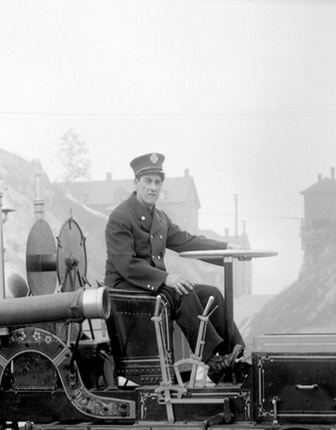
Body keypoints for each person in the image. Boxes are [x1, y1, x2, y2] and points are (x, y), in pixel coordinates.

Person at [104, 153, 245, 383]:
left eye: (158, 182)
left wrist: (227, 248)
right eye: (148, 181)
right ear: (136, 183)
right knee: (182, 290)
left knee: (213, 294)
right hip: (126, 288)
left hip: (155, 285)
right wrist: (166, 278)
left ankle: (237, 359)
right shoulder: (120, 217)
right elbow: (126, 265)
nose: (153, 187)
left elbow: (187, 240)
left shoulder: (160, 217)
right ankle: (212, 362)